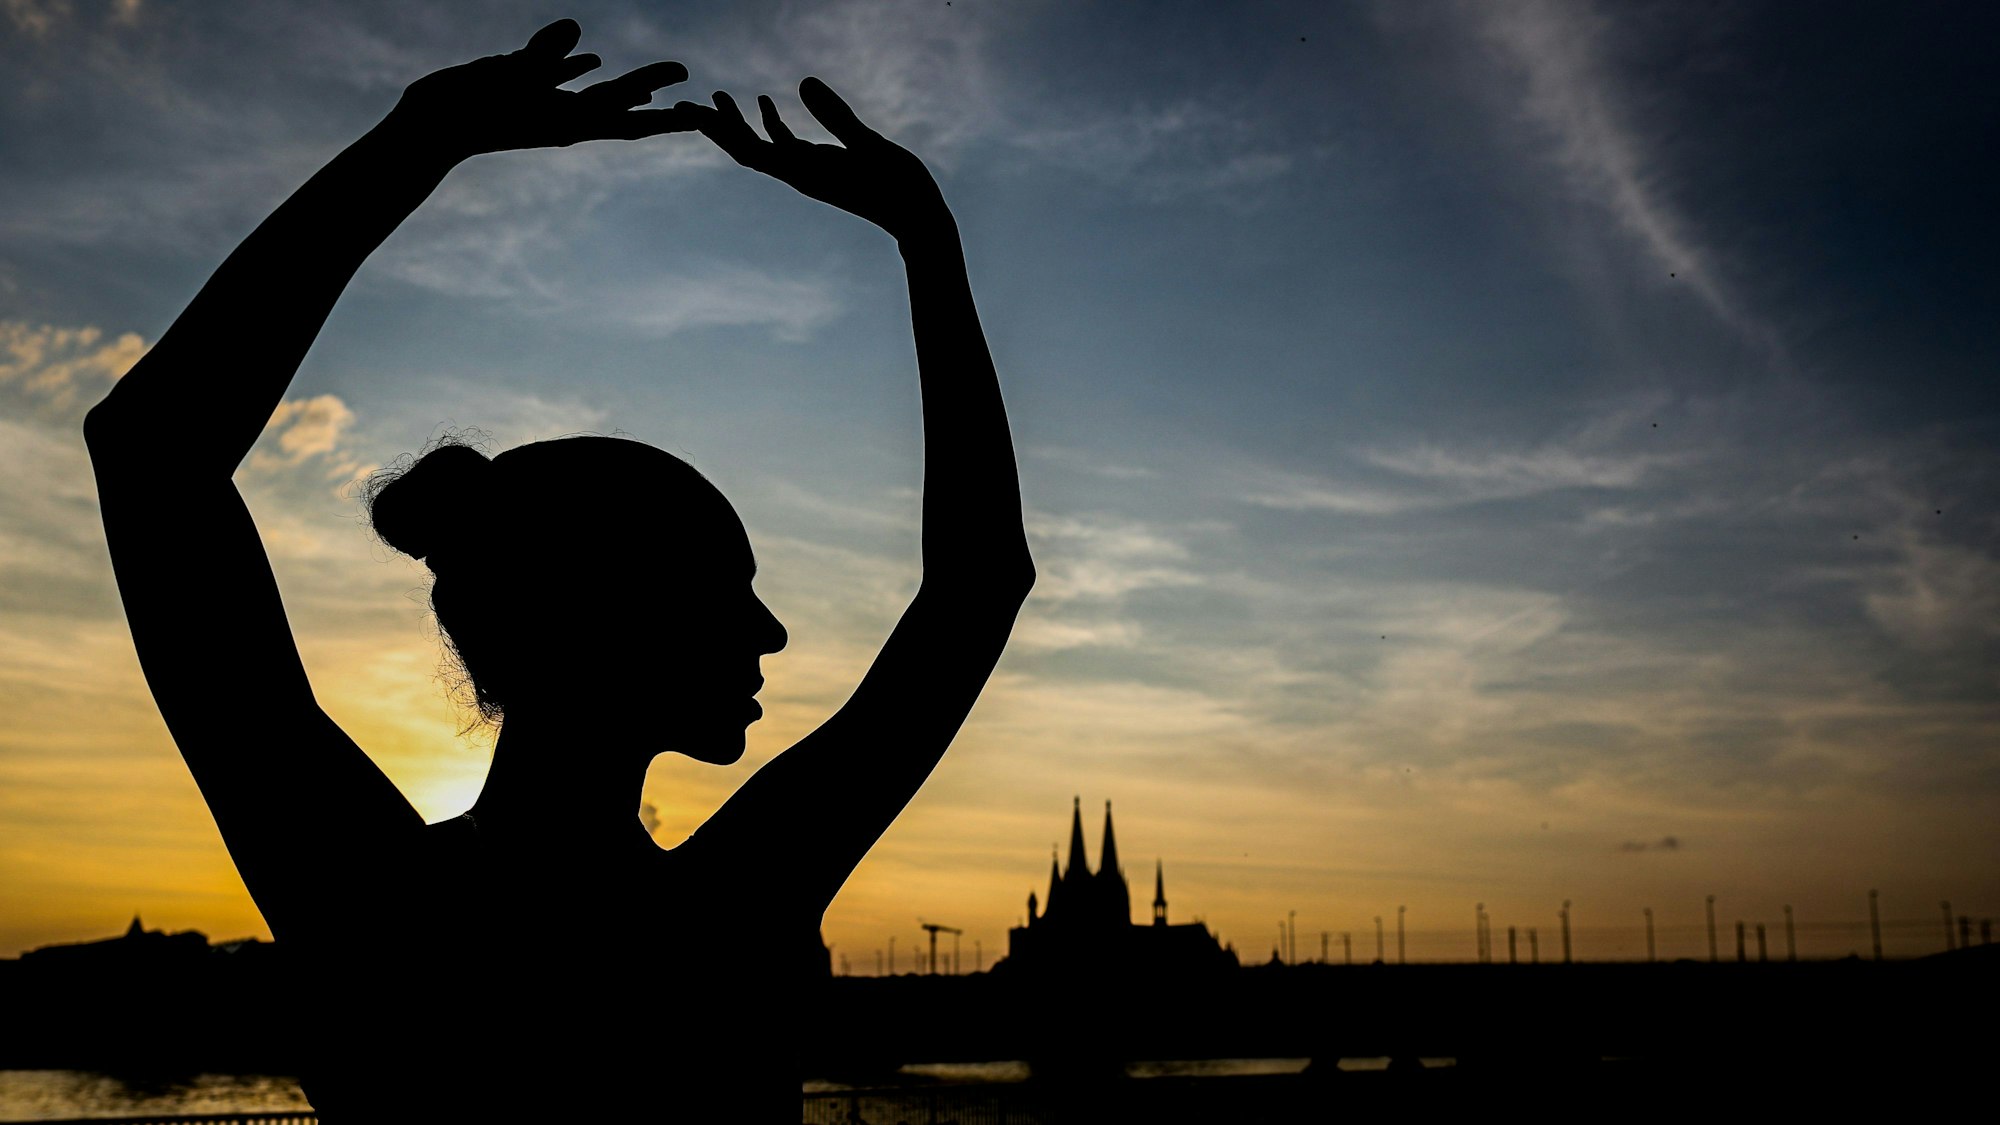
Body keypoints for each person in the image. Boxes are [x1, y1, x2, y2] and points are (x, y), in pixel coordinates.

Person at [85, 20, 1032, 1121]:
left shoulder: (375, 905)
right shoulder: (726, 909)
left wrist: (416, 145)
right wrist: (927, 245)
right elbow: (972, 591)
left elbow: (152, 456)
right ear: (598, 616)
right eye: (726, 589)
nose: (769, 634)